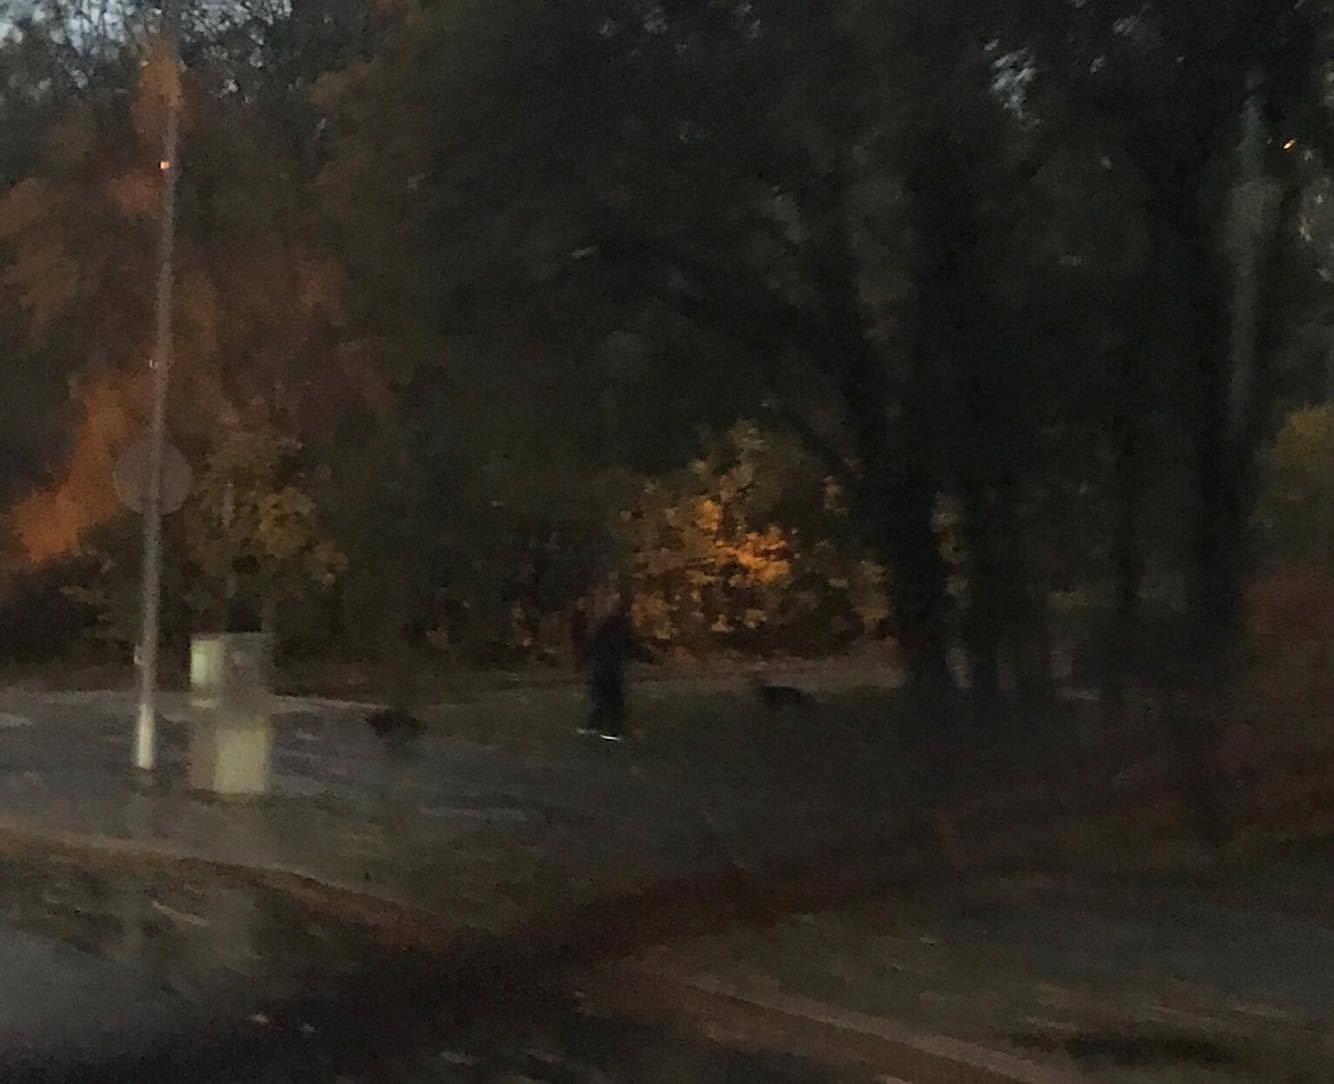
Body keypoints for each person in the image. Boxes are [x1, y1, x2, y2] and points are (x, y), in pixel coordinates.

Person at [580, 592, 636, 741]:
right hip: (605, 663)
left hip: (609, 664)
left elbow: (621, 644)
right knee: (602, 694)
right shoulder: (610, 623)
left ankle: (613, 728)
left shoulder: (616, 624)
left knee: (610, 696)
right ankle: (599, 724)